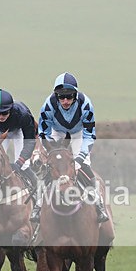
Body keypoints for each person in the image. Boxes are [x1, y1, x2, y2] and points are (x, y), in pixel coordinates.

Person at [38, 72, 109, 223]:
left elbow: (89, 135)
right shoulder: (48, 105)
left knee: (84, 166)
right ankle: (37, 206)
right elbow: (44, 133)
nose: (65, 101)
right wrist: (51, 150)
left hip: (78, 133)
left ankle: (98, 204)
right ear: (56, 96)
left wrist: (80, 157)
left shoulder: (86, 104)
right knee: (49, 167)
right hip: (56, 132)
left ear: (75, 95)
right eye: (61, 97)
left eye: (69, 97)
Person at [0, 89, 38, 221]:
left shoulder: (23, 114)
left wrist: (19, 162)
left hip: (18, 131)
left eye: (5, 112)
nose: (1, 116)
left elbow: (30, 141)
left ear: (11, 108)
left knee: (24, 166)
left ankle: (38, 200)